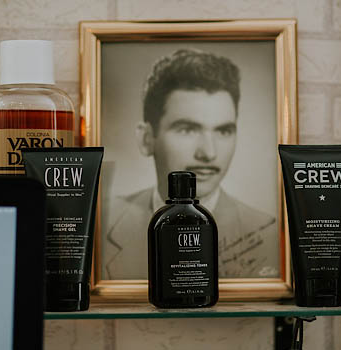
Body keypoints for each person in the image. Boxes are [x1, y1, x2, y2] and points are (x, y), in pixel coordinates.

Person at [102, 49, 278, 279]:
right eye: (187, 129)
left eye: (223, 131)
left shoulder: (271, 235)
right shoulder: (101, 223)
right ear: (146, 139)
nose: (209, 153)